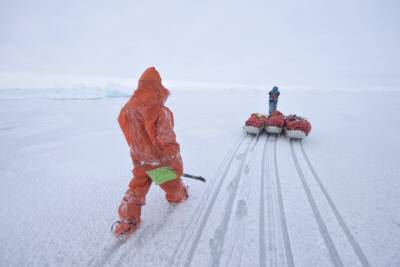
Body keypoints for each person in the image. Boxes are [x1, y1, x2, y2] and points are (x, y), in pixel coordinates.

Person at [113, 66, 188, 237]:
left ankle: (127, 219)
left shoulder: (128, 107)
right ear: (156, 86)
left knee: (137, 187)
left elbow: (124, 126)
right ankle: (178, 196)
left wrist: (137, 147)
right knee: (172, 185)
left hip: (139, 158)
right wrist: (176, 165)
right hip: (157, 161)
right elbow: (168, 140)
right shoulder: (158, 110)